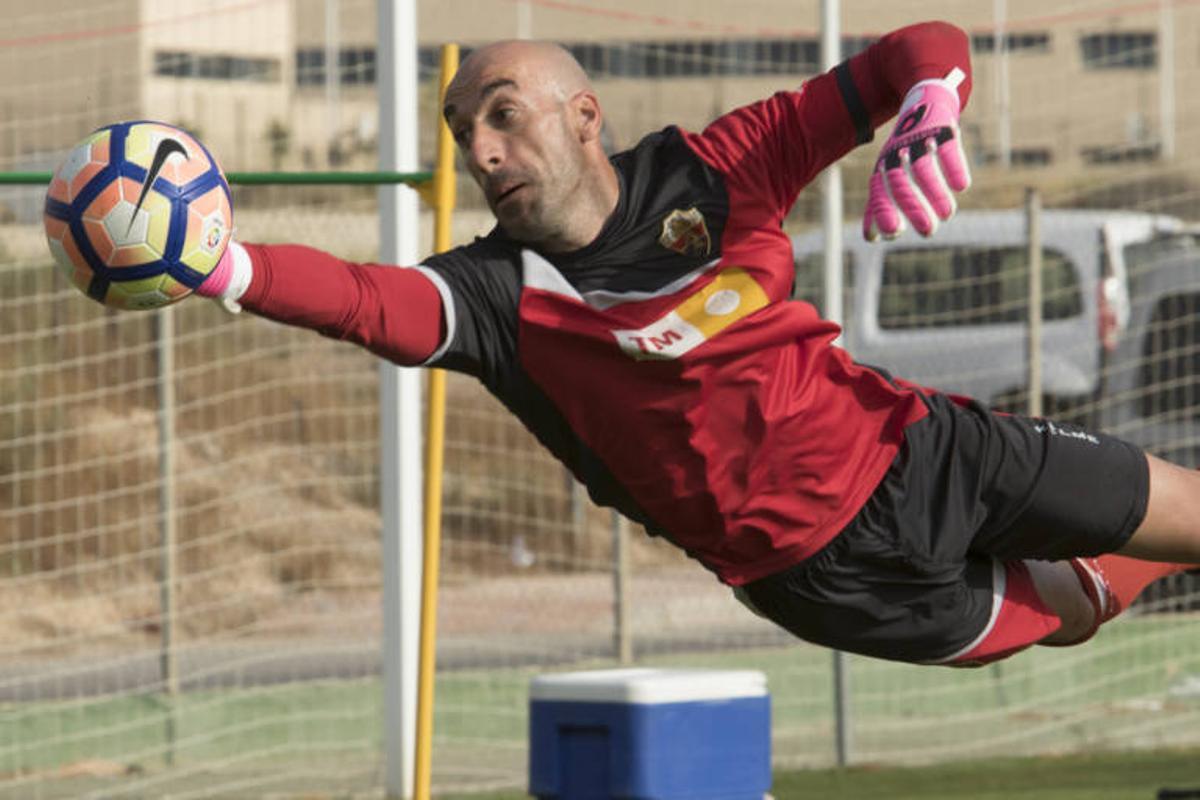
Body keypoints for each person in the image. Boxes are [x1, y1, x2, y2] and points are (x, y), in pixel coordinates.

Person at [194, 21, 1200, 667]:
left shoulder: (714, 170)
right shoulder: (493, 295)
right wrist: (224, 264)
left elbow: (917, 47)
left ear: (584, 117)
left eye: (502, 116)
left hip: (922, 450)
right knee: (1079, 605)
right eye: (465, 135)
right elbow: (364, 299)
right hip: (823, 584)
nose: (484, 151)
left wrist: (932, 98)